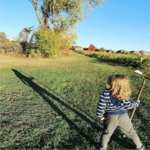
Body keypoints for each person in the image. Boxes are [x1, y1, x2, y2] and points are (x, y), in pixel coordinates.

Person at [96, 74, 144, 150]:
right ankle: (140, 147)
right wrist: (136, 103)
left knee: (106, 133)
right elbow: (128, 106)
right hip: (123, 116)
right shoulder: (125, 93)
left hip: (110, 117)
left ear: (111, 83)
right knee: (131, 132)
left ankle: (102, 147)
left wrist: (100, 115)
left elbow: (101, 106)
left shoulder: (105, 93)